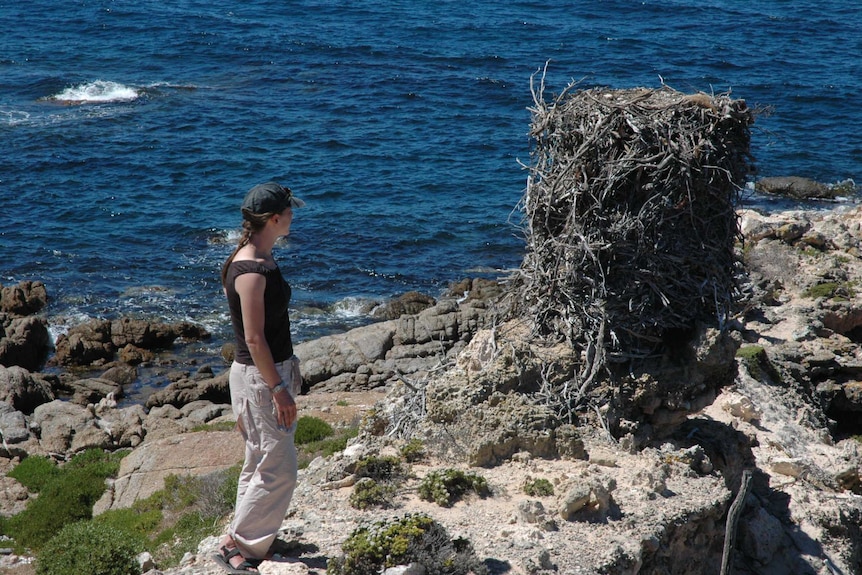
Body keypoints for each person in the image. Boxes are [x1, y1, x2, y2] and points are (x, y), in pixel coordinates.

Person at [214, 181, 305, 574]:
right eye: (288, 210)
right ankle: (240, 543)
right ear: (273, 219)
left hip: (266, 374)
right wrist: (279, 389)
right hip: (260, 378)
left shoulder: (263, 256)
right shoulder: (250, 269)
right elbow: (253, 338)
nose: (292, 215)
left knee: (259, 461)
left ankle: (254, 538)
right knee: (280, 467)